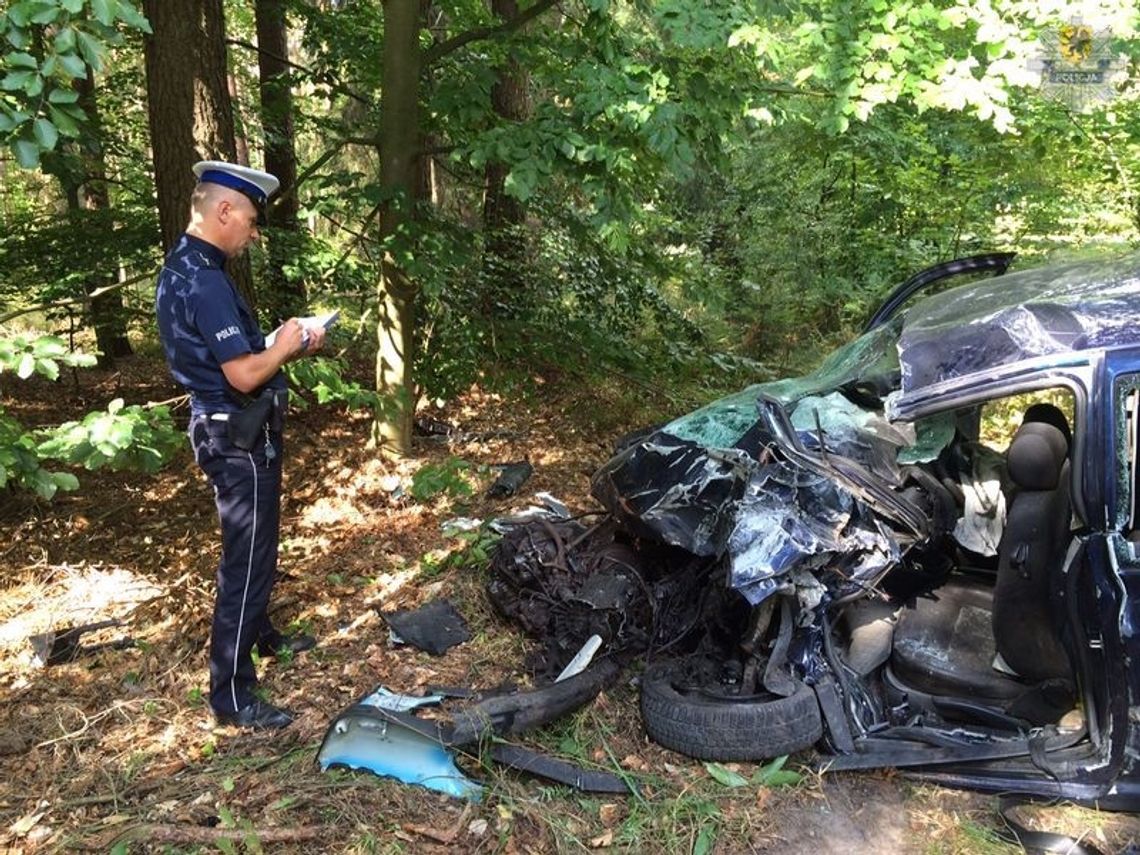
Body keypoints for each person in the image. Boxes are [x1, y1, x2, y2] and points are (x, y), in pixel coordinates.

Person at [154, 161, 326, 730]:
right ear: (223, 210)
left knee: (252, 549)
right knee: (248, 560)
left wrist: (282, 342)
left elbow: (237, 353)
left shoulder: (186, 267)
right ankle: (231, 695)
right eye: (250, 220)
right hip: (238, 435)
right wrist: (289, 343)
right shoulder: (204, 281)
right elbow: (246, 375)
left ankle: (263, 635)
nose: (253, 234)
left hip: (228, 429)